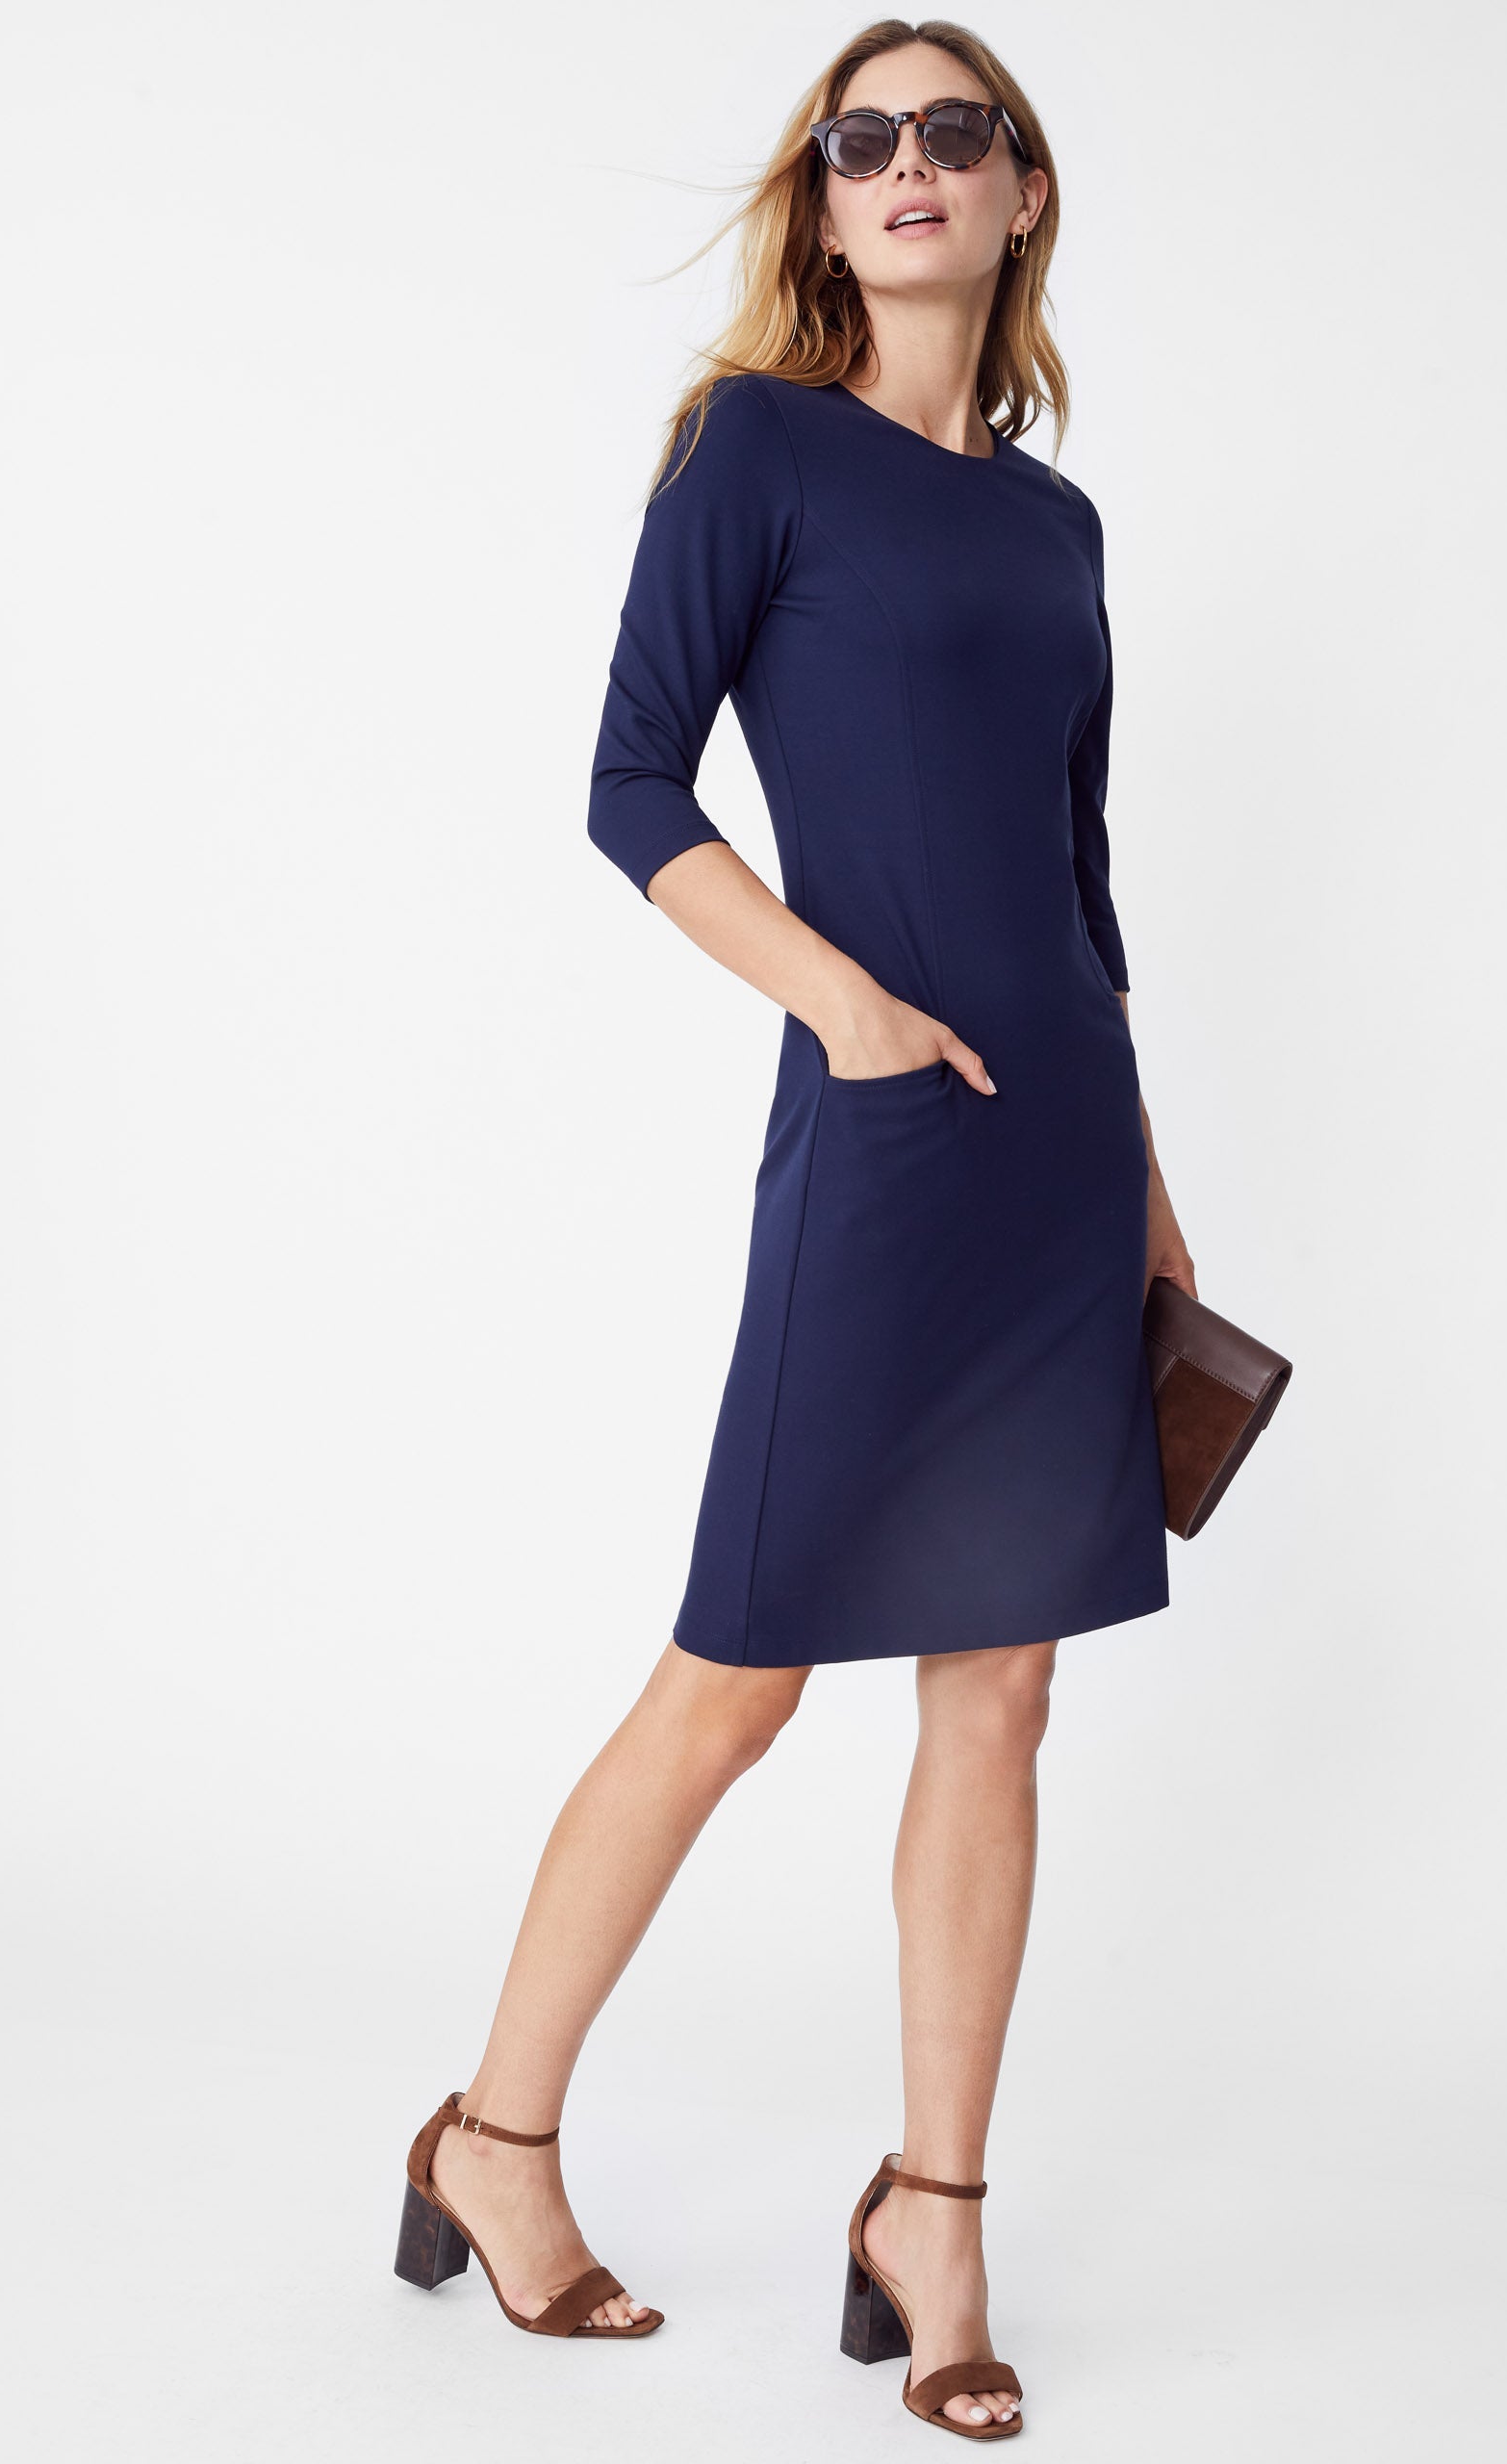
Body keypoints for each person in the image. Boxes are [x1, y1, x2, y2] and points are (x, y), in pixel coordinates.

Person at [395, 20, 1195, 2442]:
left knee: (1005, 1687)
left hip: (1060, 1155)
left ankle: (934, 2210)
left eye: (957, 131)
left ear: (1022, 189)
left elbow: (1075, 884)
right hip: (883, 1142)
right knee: (737, 1676)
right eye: (865, 139)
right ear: (826, 203)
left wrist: (1152, 1187)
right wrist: (839, 1000)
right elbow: (631, 779)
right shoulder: (755, 449)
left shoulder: (1056, 527)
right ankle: (492, 2135)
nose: (909, 164)